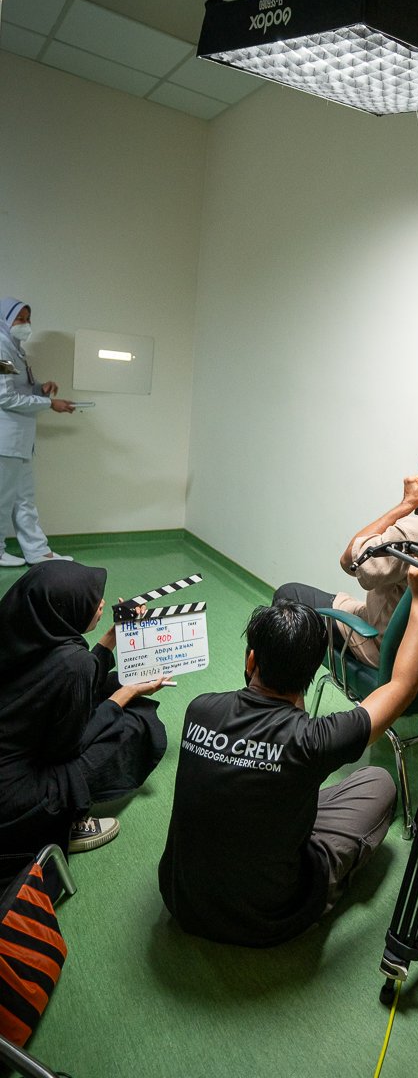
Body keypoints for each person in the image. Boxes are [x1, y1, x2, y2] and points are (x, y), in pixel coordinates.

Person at [157, 564, 418, 947]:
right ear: (309, 674)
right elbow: (403, 686)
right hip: (269, 920)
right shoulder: (314, 741)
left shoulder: (200, 709)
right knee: (379, 782)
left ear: (251, 661)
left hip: (181, 902)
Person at [0, 562, 169, 864]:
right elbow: (66, 749)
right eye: (91, 600)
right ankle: (66, 821)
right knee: (135, 721)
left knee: (109, 684)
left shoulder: (19, 629)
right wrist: (127, 694)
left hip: (11, 748)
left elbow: (66, 678)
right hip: (14, 799)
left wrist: (112, 637)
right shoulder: (74, 664)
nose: (101, 602)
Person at [274, 430, 418, 666]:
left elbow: (349, 561)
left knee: (288, 596)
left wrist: (406, 504)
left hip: (386, 646)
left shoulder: (410, 533)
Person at [0, 298, 76, 566]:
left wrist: (40, 389)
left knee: (24, 500)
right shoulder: (1, 347)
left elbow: (18, 389)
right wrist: (49, 404)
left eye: (28, 318)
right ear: (4, 319)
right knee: (2, 500)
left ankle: (37, 551)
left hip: (19, 441)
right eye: (19, 318)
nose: (26, 324)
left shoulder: (15, 350)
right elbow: (4, 397)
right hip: (5, 441)